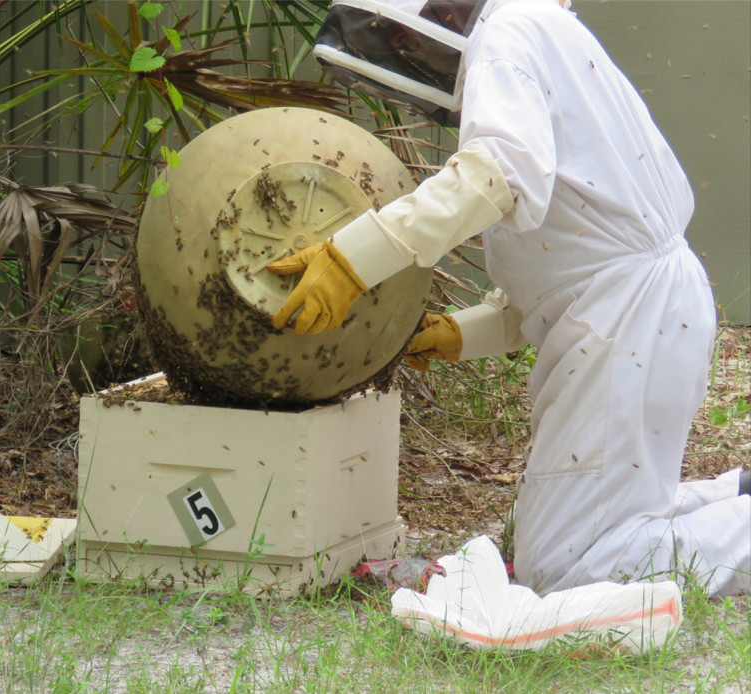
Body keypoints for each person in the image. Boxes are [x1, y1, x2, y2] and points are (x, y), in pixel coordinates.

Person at [268, 0, 750, 596]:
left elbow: (497, 174)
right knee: (560, 531)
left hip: (629, 319)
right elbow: (566, 257)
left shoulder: (509, 35)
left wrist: (353, 260)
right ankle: (736, 494)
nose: (409, 48)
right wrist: (460, 333)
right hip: (633, 311)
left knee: (571, 564)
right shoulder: (537, 32)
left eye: (400, 34)